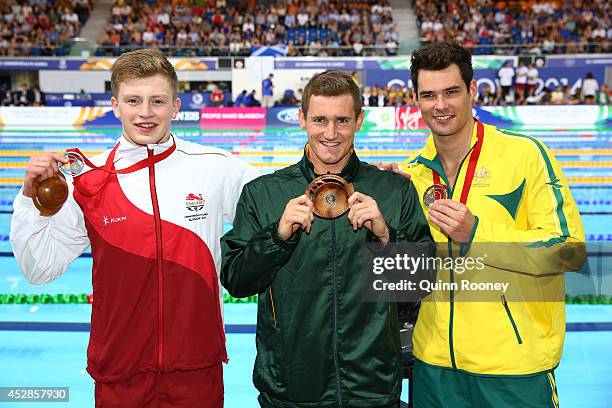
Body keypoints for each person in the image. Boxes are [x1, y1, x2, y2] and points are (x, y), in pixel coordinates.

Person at [10, 48, 257, 407]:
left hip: (196, 367)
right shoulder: (89, 181)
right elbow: (39, 269)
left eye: (157, 101)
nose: (145, 113)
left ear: (175, 106)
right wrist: (29, 200)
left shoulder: (216, 168)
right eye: (133, 100)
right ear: (115, 105)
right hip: (119, 373)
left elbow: (278, 206)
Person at [221, 70, 432, 407]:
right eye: (319, 119)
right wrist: (276, 236)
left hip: (371, 390)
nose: (331, 134)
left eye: (342, 120)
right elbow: (236, 281)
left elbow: (419, 286)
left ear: (359, 120)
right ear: (302, 119)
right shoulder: (263, 194)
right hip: (290, 392)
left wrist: (386, 235)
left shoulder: (395, 191)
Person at [399, 42, 585, 407]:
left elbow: (568, 250)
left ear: (472, 91)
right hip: (433, 369)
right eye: (429, 95)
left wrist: (477, 234)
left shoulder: (524, 155)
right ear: (416, 100)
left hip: (513, 369)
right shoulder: (413, 173)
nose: (440, 105)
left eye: (451, 92)